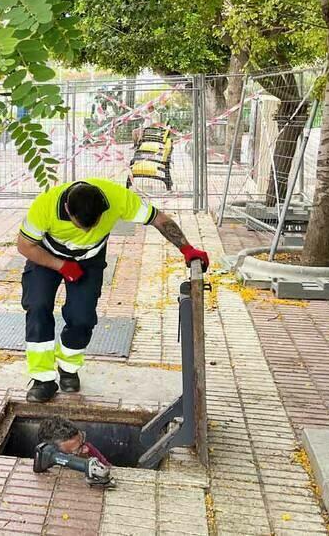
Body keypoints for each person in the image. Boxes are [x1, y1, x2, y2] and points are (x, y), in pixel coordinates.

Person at [17, 178, 209, 402]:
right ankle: (42, 379)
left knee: (83, 317)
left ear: (104, 208)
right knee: (38, 307)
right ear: (68, 209)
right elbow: (24, 245)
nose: (88, 230)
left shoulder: (117, 198)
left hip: (89, 259)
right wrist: (61, 266)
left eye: (94, 224)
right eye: (81, 225)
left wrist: (186, 248)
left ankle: (68, 368)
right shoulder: (45, 207)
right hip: (45, 256)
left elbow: (158, 218)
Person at [38, 416, 111, 467]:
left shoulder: (86, 447)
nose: (87, 449)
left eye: (82, 438)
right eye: (77, 450)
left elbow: (108, 468)